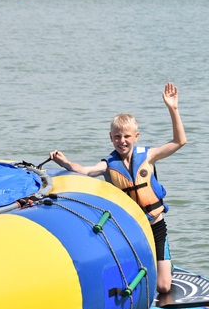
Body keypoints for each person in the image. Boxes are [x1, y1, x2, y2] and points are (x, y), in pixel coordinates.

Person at [49, 82, 187, 294]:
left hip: (155, 225)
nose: (122, 141)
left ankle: (166, 267)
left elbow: (180, 141)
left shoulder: (149, 156)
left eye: (126, 136)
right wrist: (65, 162)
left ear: (136, 137)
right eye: (117, 136)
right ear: (111, 137)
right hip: (130, 229)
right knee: (133, 276)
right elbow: (85, 171)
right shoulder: (108, 165)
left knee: (163, 286)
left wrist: (173, 108)